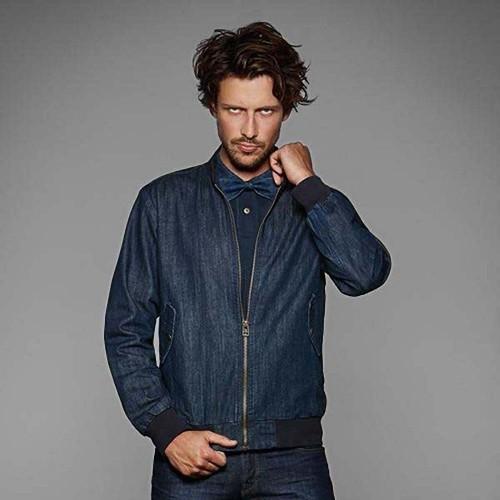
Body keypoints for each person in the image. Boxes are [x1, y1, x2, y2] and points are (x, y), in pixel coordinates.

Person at [104, 20, 391, 499]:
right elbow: (124, 329)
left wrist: (310, 186)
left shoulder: (309, 203)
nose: (250, 130)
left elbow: (365, 273)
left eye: (266, 111)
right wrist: (166, 429)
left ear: (286, 111)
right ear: (212, 106)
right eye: (235, 110)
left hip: (293, 458)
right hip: (193, 451)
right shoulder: (162, 203)